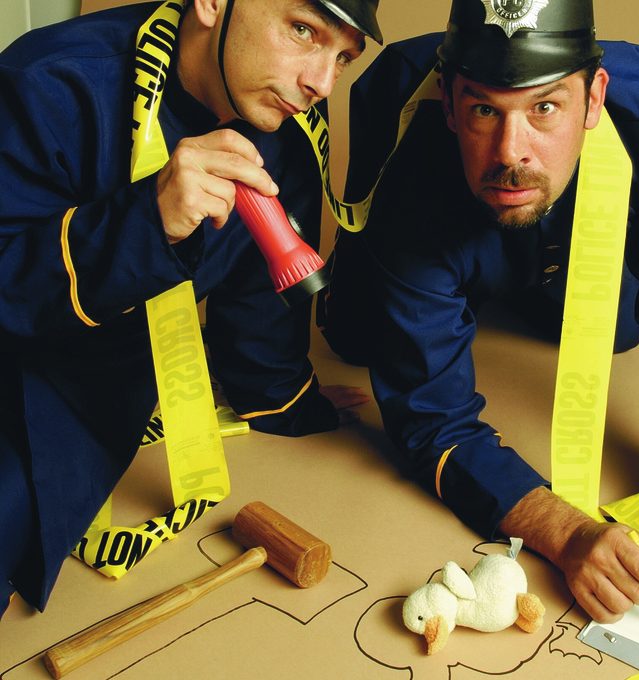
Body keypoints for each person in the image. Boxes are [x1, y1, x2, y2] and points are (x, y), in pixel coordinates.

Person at [320, 0, 639, 623]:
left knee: (618, 329)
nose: (510, 150)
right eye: (484, 109)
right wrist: (566, 533)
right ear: (448, 101)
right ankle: (463, 274)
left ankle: (520, 269)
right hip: (437, 199)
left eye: (545, 107)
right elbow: (431, 418)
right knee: (357, 334)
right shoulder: (412, 141)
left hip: (576, 218)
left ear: (595, 96)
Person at [0, 0, 382, 616]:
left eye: (342, 56)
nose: (321, 82)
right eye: (302, 30)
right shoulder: (47, 83)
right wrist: (142, 223)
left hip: (103, 398)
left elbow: (261, 297)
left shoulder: (286, 115)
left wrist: (286, 399)